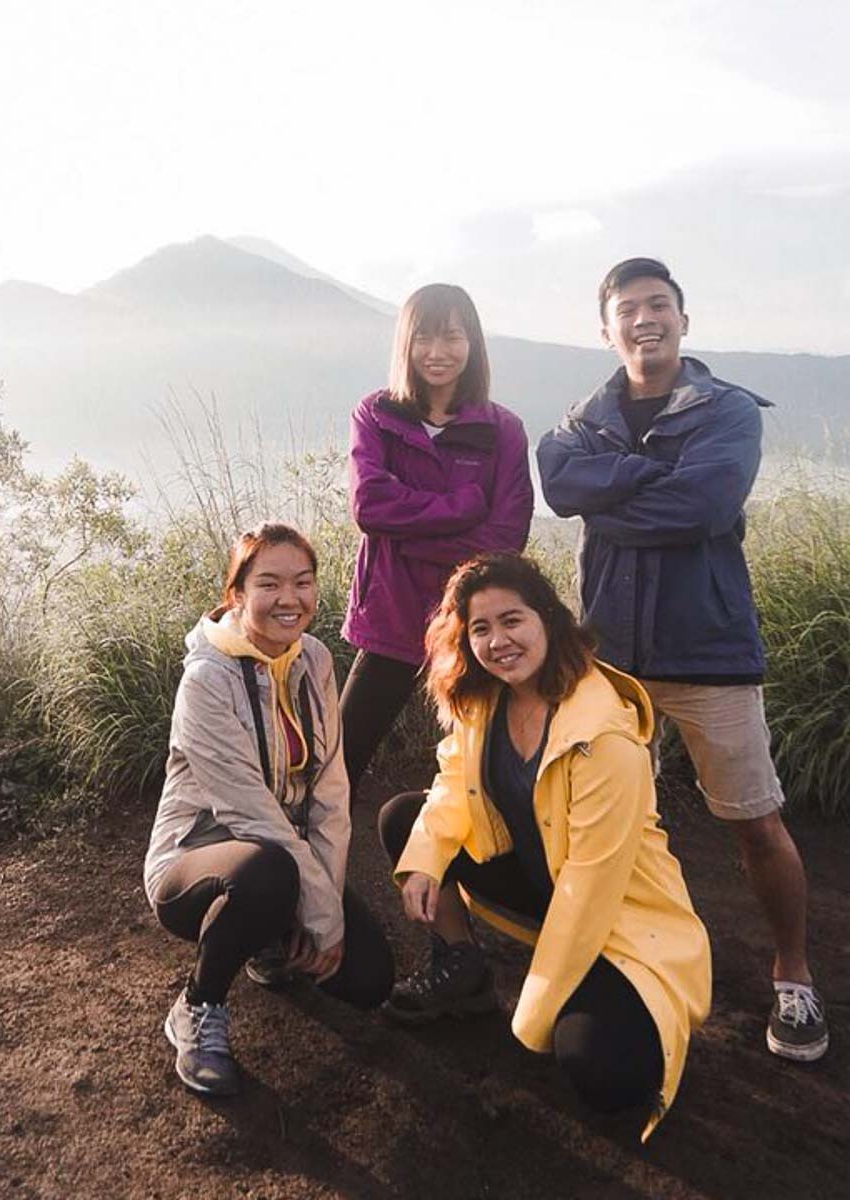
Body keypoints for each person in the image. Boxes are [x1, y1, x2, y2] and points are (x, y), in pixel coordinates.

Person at [536, 257, 828, 1063]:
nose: (644, 319)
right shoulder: (582, 419)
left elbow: (706, 502)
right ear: (607, 330)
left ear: (683, 320)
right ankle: (621, 959)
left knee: (754, 820)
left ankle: (794, 975)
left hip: (709, 652)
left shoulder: (729, 409)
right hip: (610, 658)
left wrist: (616, 493)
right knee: (606, 817)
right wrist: (653, 481)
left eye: (658, 305)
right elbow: (559, 485)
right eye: (628, 309)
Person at [378, 553, 710, 1140]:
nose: (498, 641)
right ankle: (464, 968)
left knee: (599, 1072)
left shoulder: (602, 731)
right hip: (543, 880)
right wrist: (425, 863)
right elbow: (453, 785)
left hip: (616, 916)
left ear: (549, 621)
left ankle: (628, 1009)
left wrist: (530, 1017)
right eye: (480, 628)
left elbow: (589, 887)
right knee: (406, 821)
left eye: (513, 621)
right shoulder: (484, 698)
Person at [144, 522, 394, 1097]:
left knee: (369, 980)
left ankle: (268, 937)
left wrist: (324, 905)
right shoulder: (205, 680)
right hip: (200, 862)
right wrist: (318, 913)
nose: (290, 598)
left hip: (284, 853)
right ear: (237, 595)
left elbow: (331, 793)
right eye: (270, 583)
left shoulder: (316, 660)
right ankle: (197, 1007)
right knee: (267, 874)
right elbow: (251, 814)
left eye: (303, 582)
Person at [340, 283, 533, 795]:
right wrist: (465, 507)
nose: (437, 352)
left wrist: (410, 541)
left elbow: (506, 538)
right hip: (391, 616)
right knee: (339, 766)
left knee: (485, 772)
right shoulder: (376, 415)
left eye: (452, 336)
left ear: (472, 343)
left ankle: (470, 875)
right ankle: (317, 873)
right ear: (405, 343)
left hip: (473, 621)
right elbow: (370, 506)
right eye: (424, 337)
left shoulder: (503, 429)